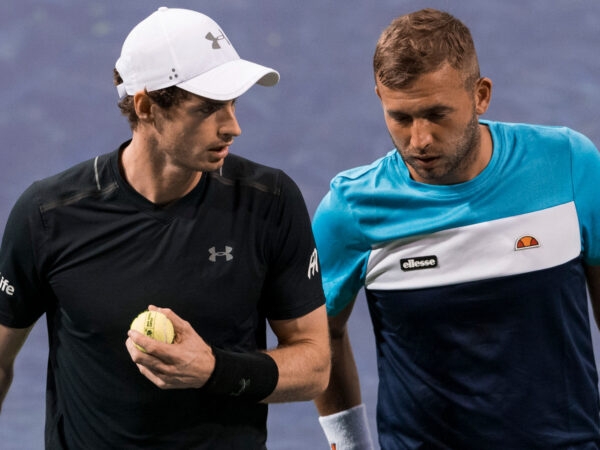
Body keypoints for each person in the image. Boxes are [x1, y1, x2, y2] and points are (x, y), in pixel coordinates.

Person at [0, 7, 330, 449]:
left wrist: (214, 369)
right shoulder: (48, 215)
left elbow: (314, 365)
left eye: (233, 102)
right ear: (146, 106)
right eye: (209, 108)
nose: (233, 126)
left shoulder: (269, 202)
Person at [313, 7, 600, 449]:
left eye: (436, 114)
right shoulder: (350, 211)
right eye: (401, 117)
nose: (419, 139)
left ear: (481, 95)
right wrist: (347, 446)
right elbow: (320, 333)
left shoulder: (569, 164)